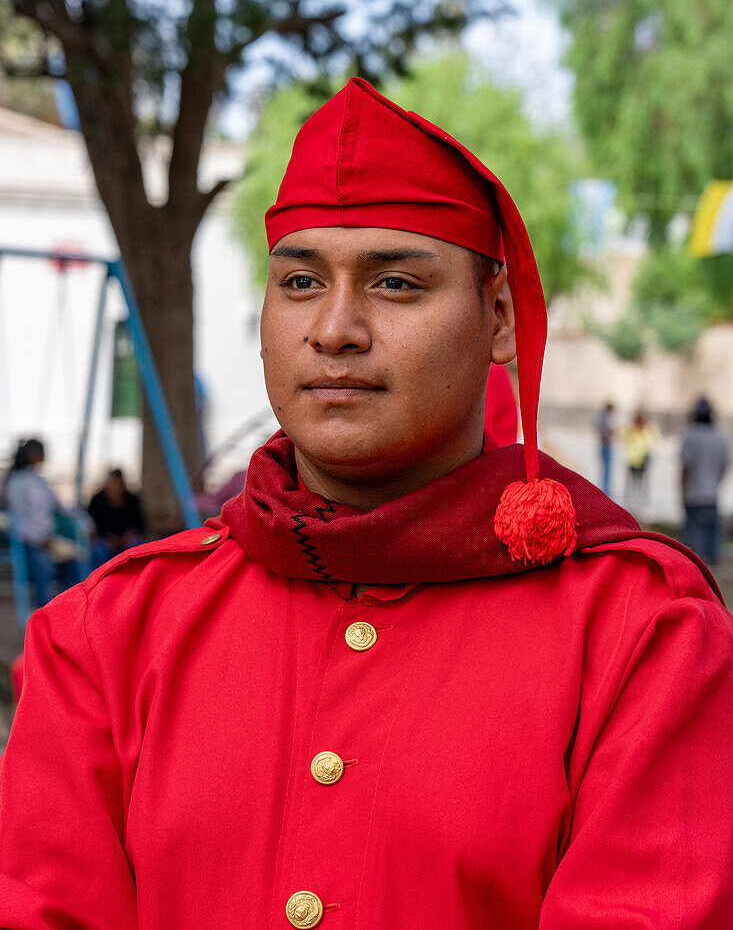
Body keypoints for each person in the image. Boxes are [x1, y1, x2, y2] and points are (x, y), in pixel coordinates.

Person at [0, 78, 731, 928]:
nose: (335, 329)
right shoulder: (108, 634)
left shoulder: (638, 631)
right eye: (302, 282)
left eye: (395, 285)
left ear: (497, 317)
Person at [2, 438, 81, 608]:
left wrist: (85, 522)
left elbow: (60, 507)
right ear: (32, 453)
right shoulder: (16, 482)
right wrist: (39, 540)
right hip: (28, 543)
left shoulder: (40, 480)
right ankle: (44, 613)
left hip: (49, 540)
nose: (45, 455)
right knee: (44, 563)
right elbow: (18, 519)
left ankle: (69, 609)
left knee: (76, 560)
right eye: (42, 451)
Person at [681, 396, 730, 566]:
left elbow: (685, 468)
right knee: (712, 542)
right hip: (711, 495)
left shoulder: (690, 436)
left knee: (693, 547)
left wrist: (681, 491)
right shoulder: (720, 438)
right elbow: (724, 466)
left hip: (693, 494)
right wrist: (715, 483)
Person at [87, 469, 146, 567]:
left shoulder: (132, 500)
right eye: (112, 483)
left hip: (127, 541)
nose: (114, 487)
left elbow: (140, 525)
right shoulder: (97, 501)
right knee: (99, 551)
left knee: (138, 547)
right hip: (104, 540)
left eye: (117, 483)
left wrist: (129, 535)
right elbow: (90, 525)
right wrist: (107, 538)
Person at [623, 410, 659, 507]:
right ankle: (630, 501)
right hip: (633, 460)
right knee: (631, 483)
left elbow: (653, 441)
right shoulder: (632, 431)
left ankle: (642, 501)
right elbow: (624, 437)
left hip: (643, 460)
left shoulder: (647, 431)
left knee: (643, 482)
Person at [595, 400, 615, 496]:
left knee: (607, 472)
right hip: (606, 446)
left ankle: (606, 491)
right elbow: (604, 433)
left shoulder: (603, 418)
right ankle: (605, 492)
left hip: (606, 446)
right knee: (606, 472)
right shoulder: (605, 419)